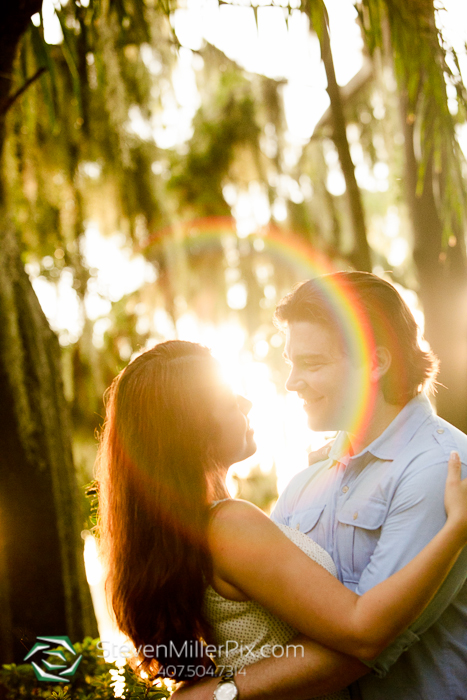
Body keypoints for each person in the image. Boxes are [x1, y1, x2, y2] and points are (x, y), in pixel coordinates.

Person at [95, 306, 467, 700]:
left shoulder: (187, 528)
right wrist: (455, 530)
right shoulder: (231, 525)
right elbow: (365, 633)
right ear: (192, 428)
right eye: (228, 400)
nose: (248, 404)